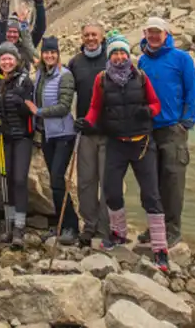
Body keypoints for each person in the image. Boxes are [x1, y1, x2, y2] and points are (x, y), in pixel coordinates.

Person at [74, 32, 170, 272]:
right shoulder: (102, 79)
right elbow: (95, 107)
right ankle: (119, 233)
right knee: (112, 191)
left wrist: (148, 112)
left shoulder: (141, 77)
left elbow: (156, 103)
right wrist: (86, 122)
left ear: (128, 55)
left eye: (122, 53)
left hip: (141, 145)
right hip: (116, 142)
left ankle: (160, 248)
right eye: (115, 53)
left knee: (151, 195)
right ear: (110, 56)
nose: (119, 57)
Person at [134, 17, 195, 247]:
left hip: (173, 129)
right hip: (149, 129)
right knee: (152, 182)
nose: (153, 36)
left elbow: (192, 90)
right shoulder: (142, 61)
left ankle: (173, 229)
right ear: (145, 34)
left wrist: (186, 122)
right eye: (150, 32)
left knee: (172, 180)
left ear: (166, 34)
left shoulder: (181, 59)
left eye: (157, 32)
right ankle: (155, 227)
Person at [25, 35, 79, 245]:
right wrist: (22, 28)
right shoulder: (41, 71)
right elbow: (30, 51)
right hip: (47, 134)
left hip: (64, 134)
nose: (49, 55)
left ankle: (71, 226)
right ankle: (60, 224)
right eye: (46, 52)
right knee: (53, 180)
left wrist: (38, 111)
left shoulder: (65, 75)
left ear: (57, 54)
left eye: (52, 52)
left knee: (57, 178)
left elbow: (64, 107)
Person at [0, 40, 35, 249]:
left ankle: (19, 228)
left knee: (19, 179)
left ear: (16, 60)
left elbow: (31, 109)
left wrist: (20, 105)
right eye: (3, 58)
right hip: (3, 136)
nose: (6, 62)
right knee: (6, 179)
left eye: (10, 58)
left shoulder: (25, 82)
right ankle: (10, 224)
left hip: (22, 136)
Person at [67, 21, 109, 246]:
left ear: (102, 37)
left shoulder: (112, 60)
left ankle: (105, 226)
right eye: (86, 35)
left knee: (108, 181)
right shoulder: (76, 63)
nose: (90, 38)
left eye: (94, 35)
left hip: (109, 132)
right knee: (85, 181)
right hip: (85, 132)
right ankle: (89, 225)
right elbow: (64, 92)